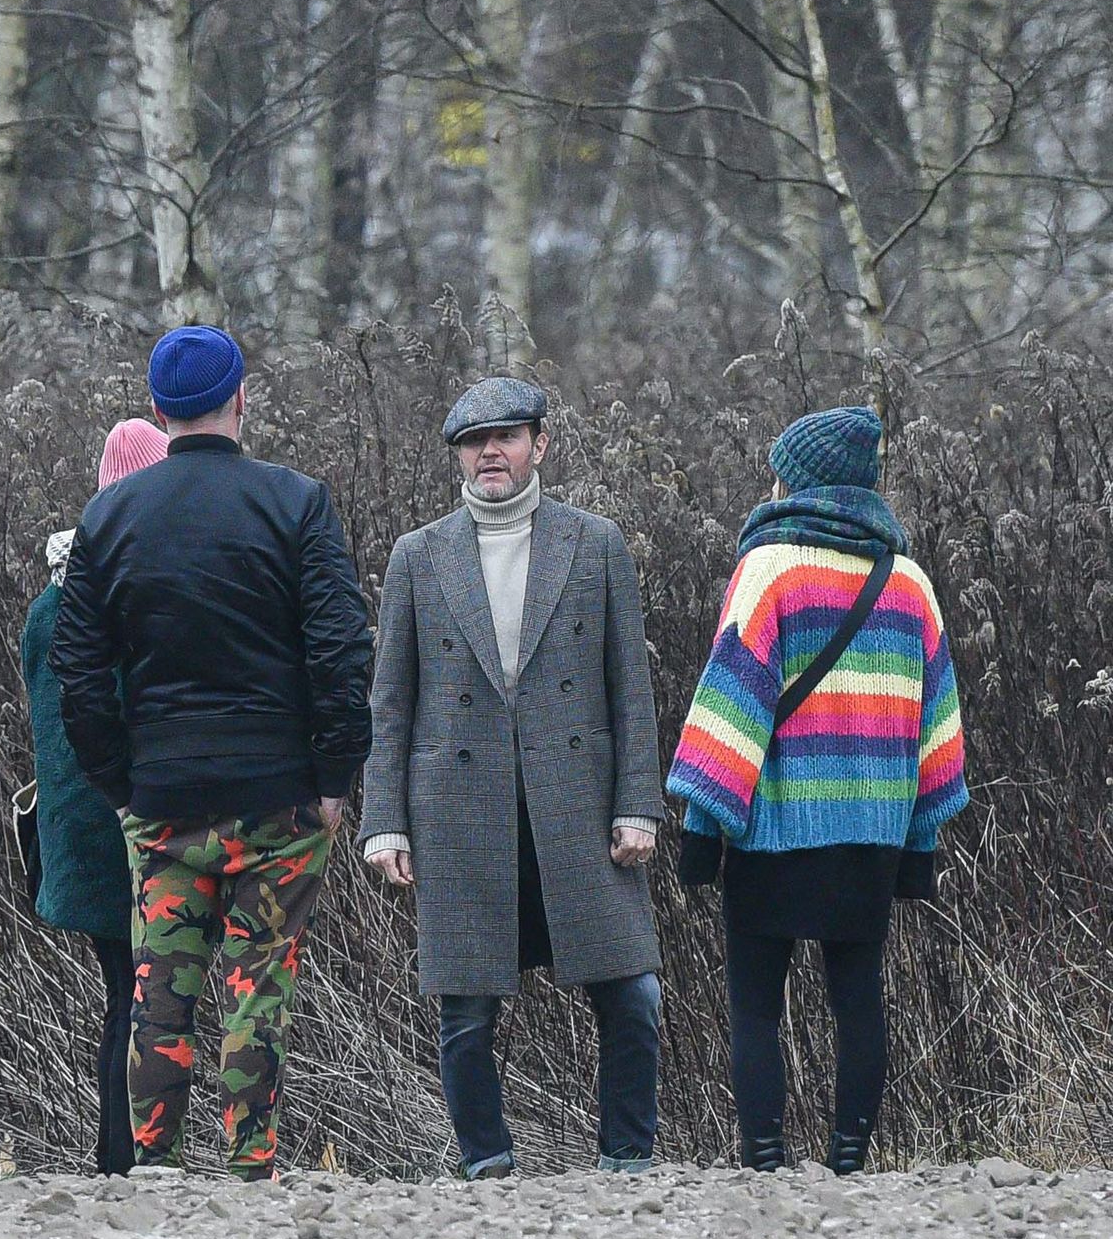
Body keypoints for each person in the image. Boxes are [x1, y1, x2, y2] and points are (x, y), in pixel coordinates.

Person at [49, 326, 373, 1180]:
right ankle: (249, 1164)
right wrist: (336, 776)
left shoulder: (108, 516)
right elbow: (341, 650)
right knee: (257, 986)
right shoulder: (296, 501)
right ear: (242, 399)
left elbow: (77, 673)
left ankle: (155, 1164)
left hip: (161, 801)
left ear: (159, 410)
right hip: (282, 799)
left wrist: (117, 781)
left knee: (161, 993)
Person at [360, 377, 664, 1179]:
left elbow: (630, 687)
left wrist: (639, 804)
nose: (489, 453)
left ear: (540, 444)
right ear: (458, 454)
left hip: (578, 802)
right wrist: (383, 818)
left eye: (507, 437)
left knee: (632, 995)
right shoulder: (418, 556)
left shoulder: (596, 543)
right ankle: (487, 1167)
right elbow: (390, 700)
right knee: (464, 1010)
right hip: (459, 809)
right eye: (473, 441)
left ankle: (629, 1161)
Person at [666, 405, 969, 1175]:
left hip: (774, 832)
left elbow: (731, 703)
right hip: (870, 838)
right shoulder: (910, 583)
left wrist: (702, 833)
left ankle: (765, 1162)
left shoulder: (770, 569)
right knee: (859, 1001)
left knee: (758, 1008)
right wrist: (918, 847)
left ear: (794, 479)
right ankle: (849, 1163)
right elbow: (937, 725)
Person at [20, 417, 168, 1177]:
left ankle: (119, 1156)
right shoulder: (120, 593)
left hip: (75, 834)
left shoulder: (49, 602)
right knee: (143, 1001)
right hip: (123, 829)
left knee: (125, 995)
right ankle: (128, 1158)